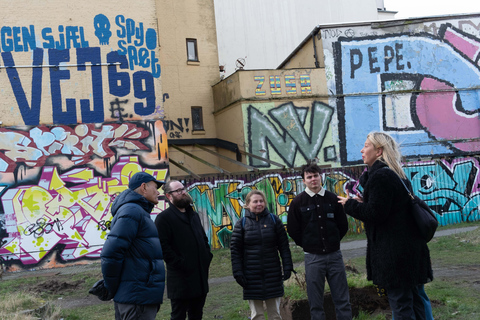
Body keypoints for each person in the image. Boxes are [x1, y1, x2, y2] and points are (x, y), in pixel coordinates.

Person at [337, 132, 433, 320]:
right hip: (408, 251)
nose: (361, 150)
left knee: (401, 303)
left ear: (379, 151)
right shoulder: (395, 173)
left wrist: (350, 205)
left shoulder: (381, 177)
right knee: (415, 300)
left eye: (366, 146)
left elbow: (376, 214)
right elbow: (389, 210)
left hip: (396, 255)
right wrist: (364, 201)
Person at [287, 163, 352, 320]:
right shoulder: (297, 203)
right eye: (309, 177)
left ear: (320, 176)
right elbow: (293, 230)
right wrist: (309, 245)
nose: (313, 179)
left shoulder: (333, 199)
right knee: (315, 303)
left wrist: (333, 242)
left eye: (315, 175)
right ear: (304, 181)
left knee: (342, 300)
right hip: (313, 258)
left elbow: (342, 226)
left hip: (335, 256)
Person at [101, 171, 165, 320]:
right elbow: (111, 253)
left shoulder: (137, 211)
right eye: (155, 187)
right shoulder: (132, 211)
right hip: (136, 297)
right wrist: (111, 287)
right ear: (143, 187)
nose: (158, 192)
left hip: (138, 295)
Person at [230, 190, 293, 320]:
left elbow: (284, 247)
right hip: (251, 277)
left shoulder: (274, 220)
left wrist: (288, 266)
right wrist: (238, 272)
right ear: (247, 204)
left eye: (261, 201)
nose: (259, 204)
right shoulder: (241, 224)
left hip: (273, 275)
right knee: (257, 316)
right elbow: (235, 251)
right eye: (255, 201)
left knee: (275, 315)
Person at [155, 180, 213, 320]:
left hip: (199, 276)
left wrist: (206, 256)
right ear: (169, 196)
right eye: (178, 191)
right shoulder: (163, 219)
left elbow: (203, 238)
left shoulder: (193, 215)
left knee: (197, 314)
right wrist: (181, 264)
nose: (183, 192)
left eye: (183, 189)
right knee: (178, 316)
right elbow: (164, 249)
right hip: (180, 279)